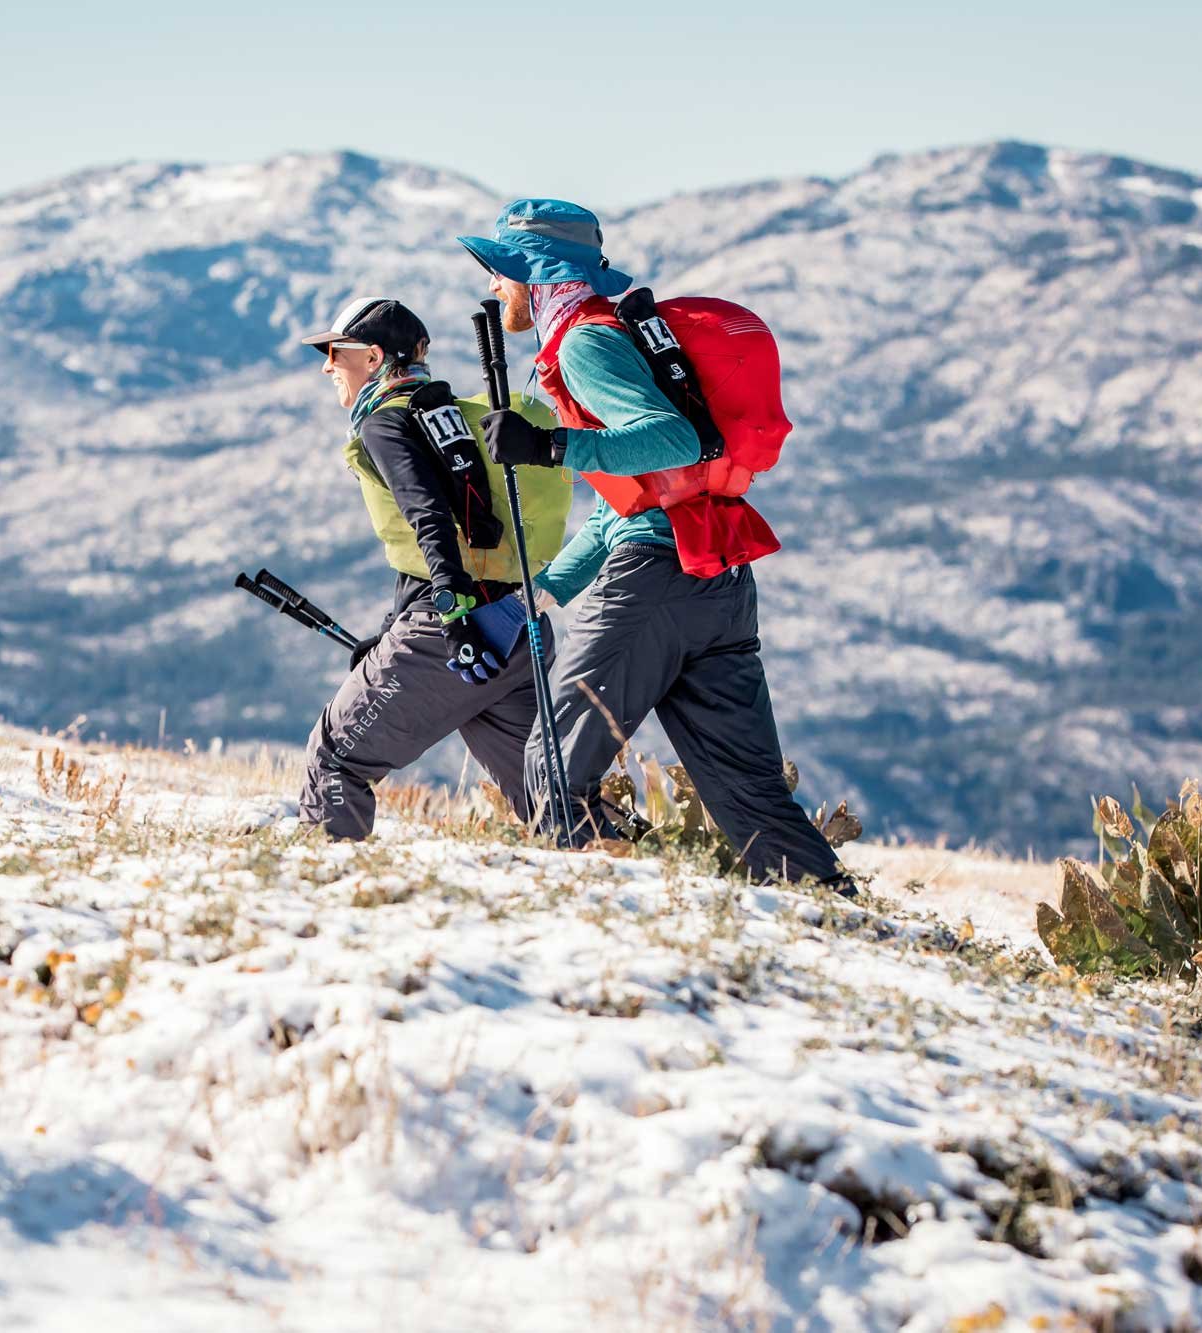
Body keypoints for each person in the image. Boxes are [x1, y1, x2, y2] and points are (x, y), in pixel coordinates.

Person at [456, 201, 856, 888]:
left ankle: (585, 913)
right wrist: (536, 598)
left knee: (553, 761)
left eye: (501, 269)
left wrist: (552, 445)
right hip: (716, 581)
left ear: (537, 273)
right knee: (751, 797)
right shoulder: (610, 335)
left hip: (657, 582)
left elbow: (673, 438)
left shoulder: (583, 343)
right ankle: (845, 921)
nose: (494, 285)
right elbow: (634, 503)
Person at [295, 296, 571, 840]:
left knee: (334, 758)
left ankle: (322, 893)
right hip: (516, 624)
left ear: (373, 358)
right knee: (550, 796)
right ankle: (625, 885)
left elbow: (430, 518)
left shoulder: (385, 422)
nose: (327, 365)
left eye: (335, 351)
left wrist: (452, 614)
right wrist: (393, 631)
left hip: (457, 629)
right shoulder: (445, 416)